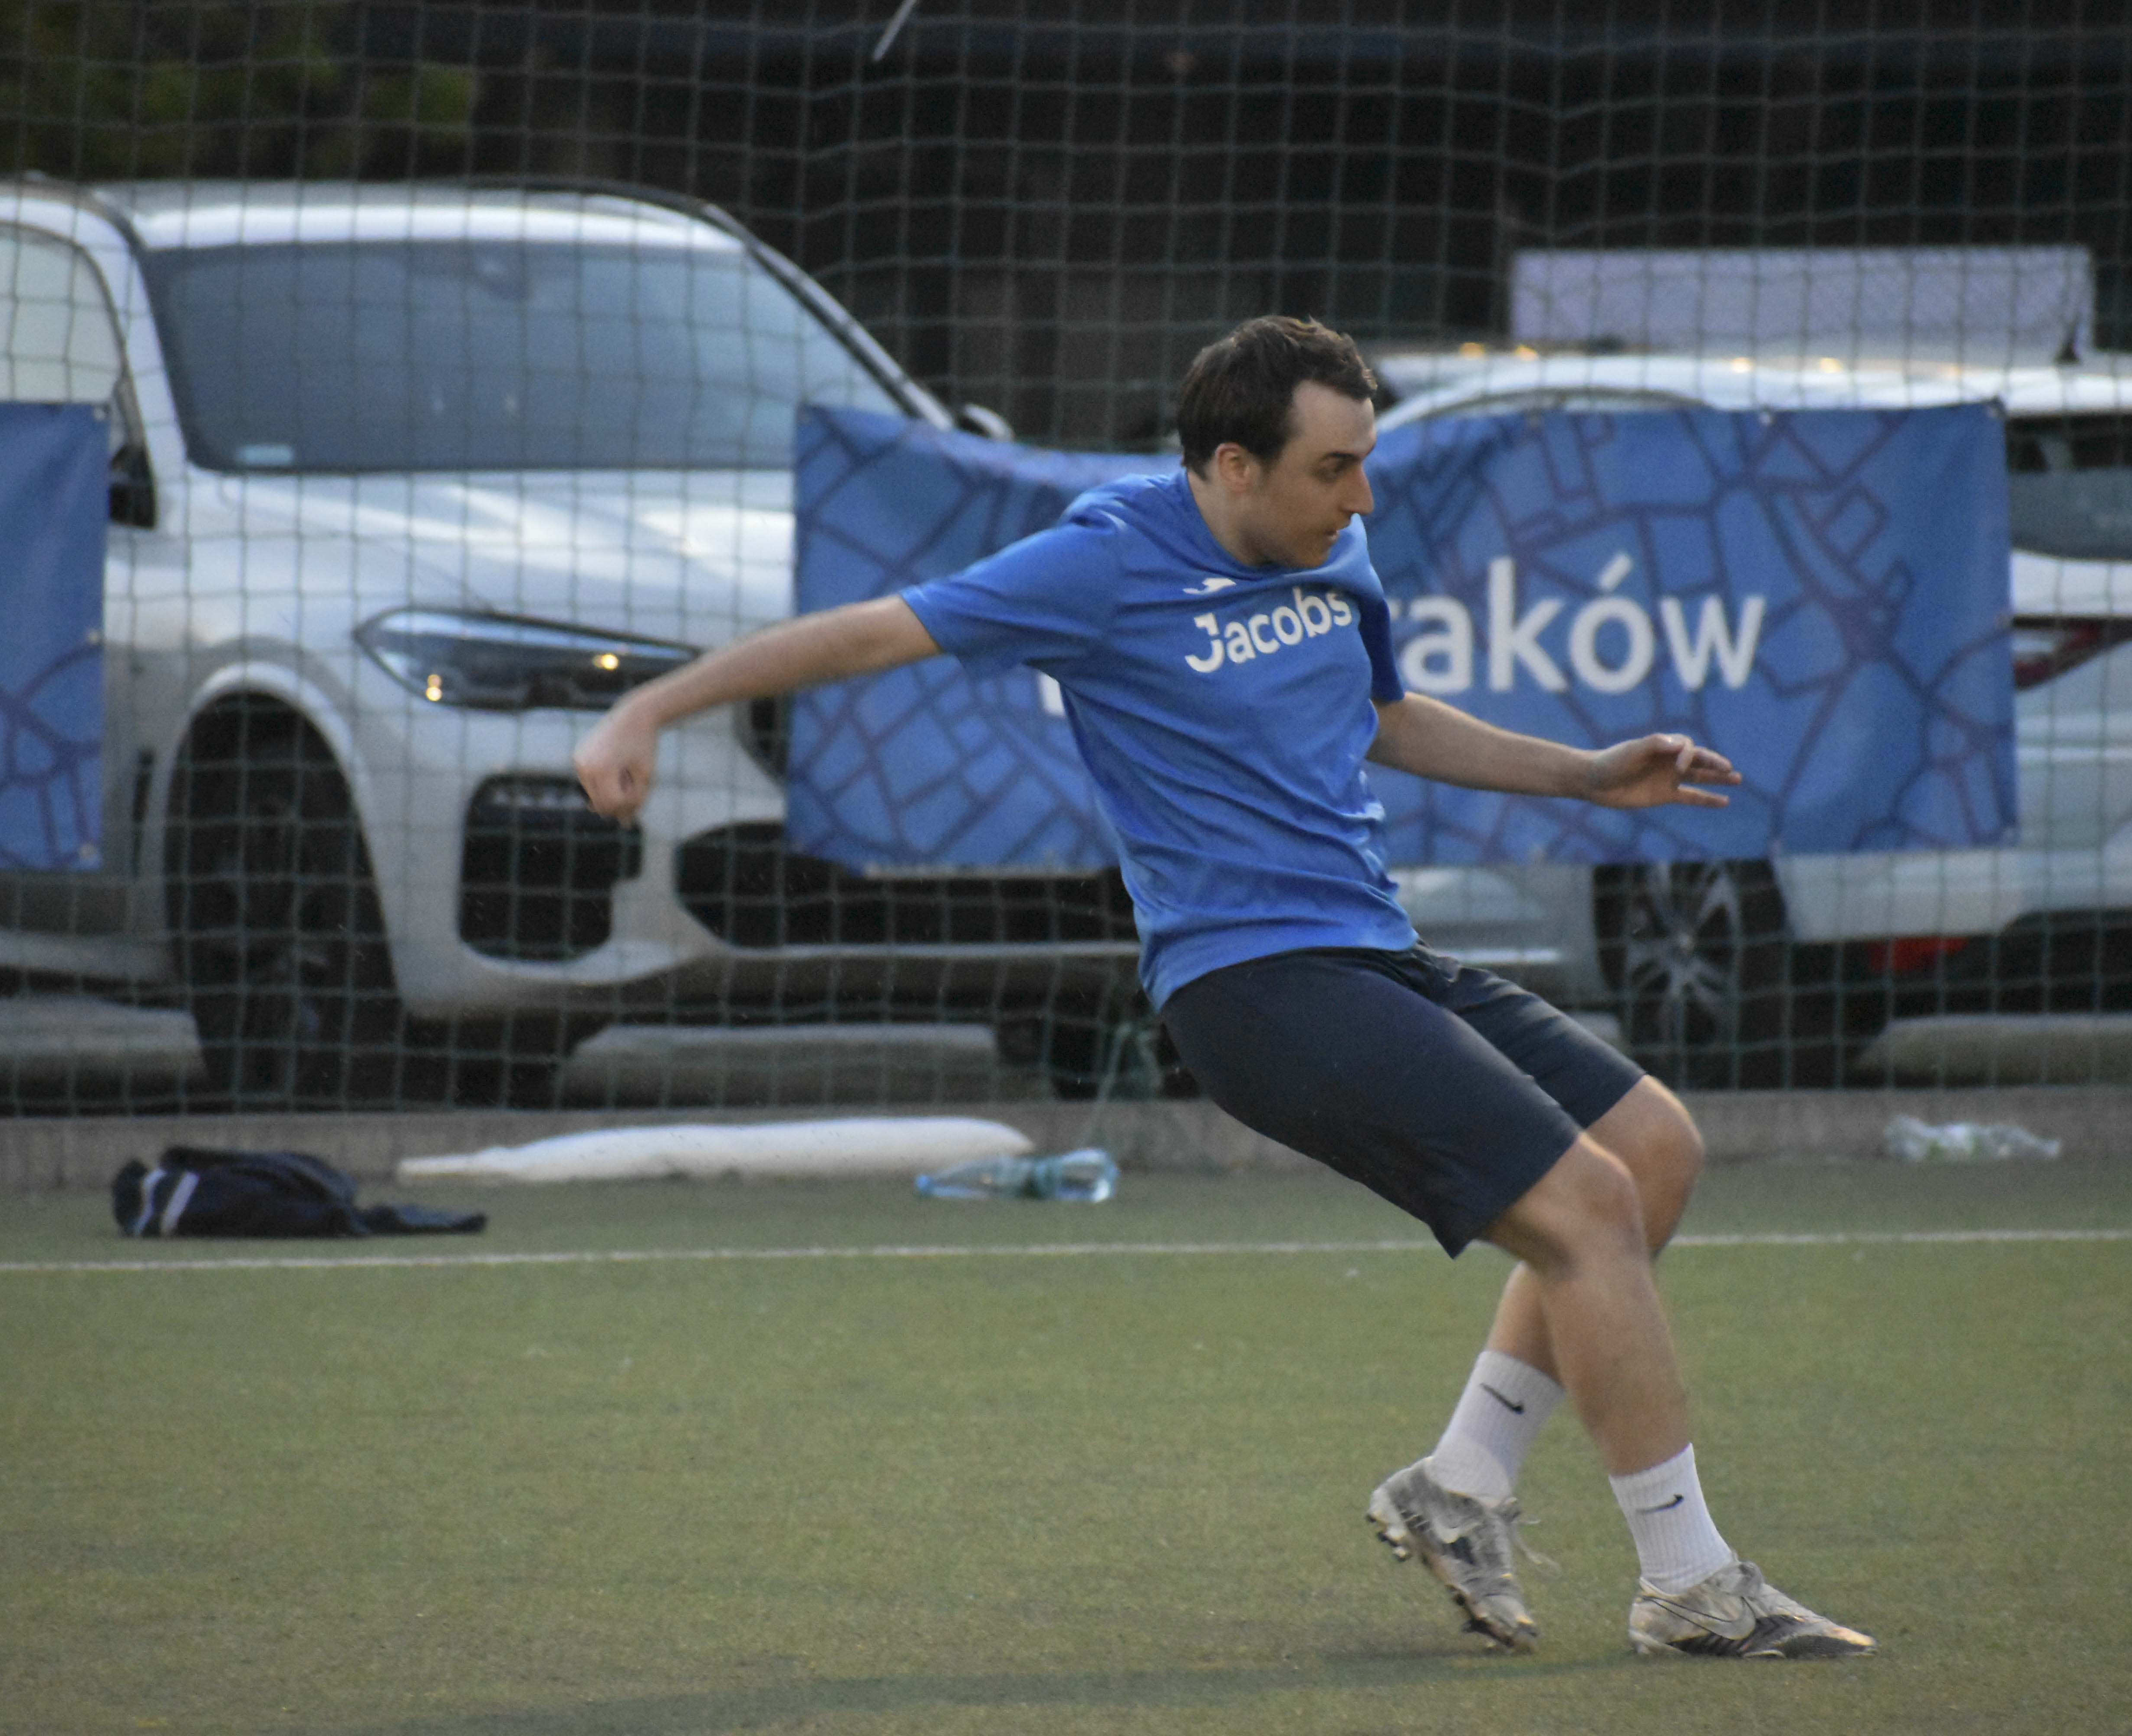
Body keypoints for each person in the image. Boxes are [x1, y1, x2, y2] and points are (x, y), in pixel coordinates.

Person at [573, 315, 1875, 1661]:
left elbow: (1383, 716)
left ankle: (1463, 1484)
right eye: (1332, 469)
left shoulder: (1332, 547)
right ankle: (1690, 1585)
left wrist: (1587, 774)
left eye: (1366, 463)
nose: (1362, 499)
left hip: (1370, 951)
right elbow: (865, 637)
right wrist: (646, 710)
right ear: (1234, 467)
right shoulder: (1103, 562)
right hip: (1250, 983)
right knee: (1587, 1208)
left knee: (1653, 1147)